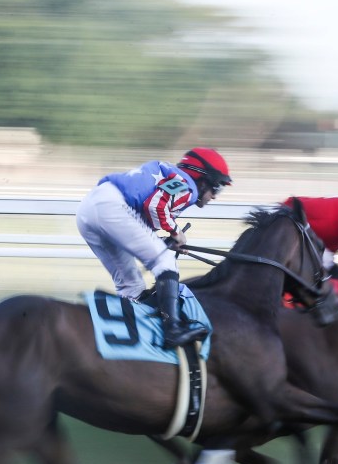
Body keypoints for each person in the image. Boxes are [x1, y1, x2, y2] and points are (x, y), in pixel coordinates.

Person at [76, 147, 232, 350]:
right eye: (217, 187)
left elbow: (141, 222)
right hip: (111, 207)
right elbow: (155, 206)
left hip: (89, 210)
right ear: (203, 180)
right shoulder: (188, 186)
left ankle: (132, 337)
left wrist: (166, 242)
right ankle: (172, 329)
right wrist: (176, 232)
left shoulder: (174, 178)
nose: (215, 196)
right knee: (165, 262)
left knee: (131, 284)